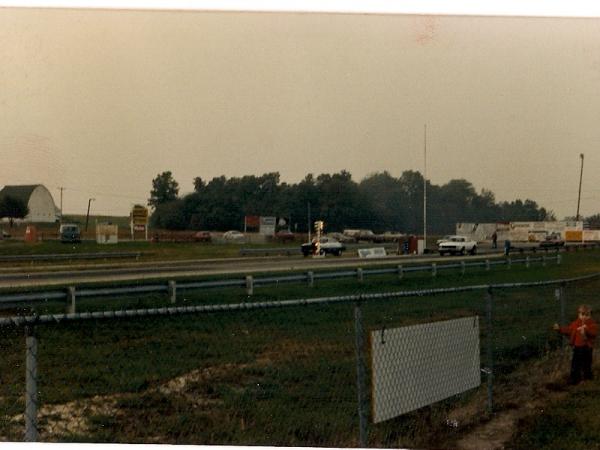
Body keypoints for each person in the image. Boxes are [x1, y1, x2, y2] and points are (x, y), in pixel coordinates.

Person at [553, 304, 598, 385]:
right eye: (582, 314)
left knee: (586, 363)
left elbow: (594, 333)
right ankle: (574, 379)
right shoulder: (575, 323)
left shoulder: (591, 324)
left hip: (587, 347)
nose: (584, 317)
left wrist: (586, 330)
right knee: (575, 363)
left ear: (590, 315)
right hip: (578, 347)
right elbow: (569, 330)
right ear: (579, 314)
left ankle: (587, 377)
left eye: (587, 315)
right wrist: (559, 329)